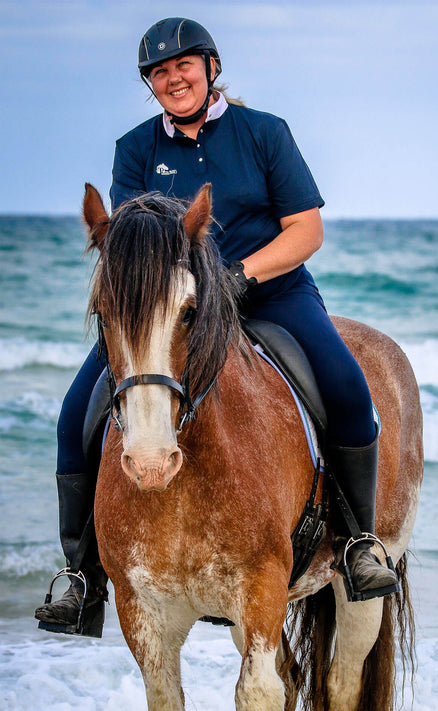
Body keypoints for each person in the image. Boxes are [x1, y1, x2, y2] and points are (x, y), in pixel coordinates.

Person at [35, 17, 398, 636]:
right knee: (77, 413)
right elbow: (127, 241)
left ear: (210, 68)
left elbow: (306, 230)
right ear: (150, 84)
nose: (173, 79)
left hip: (269, 295)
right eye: (159, 72)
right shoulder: (137, 148)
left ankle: (360, 543)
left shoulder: (265, 133)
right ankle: (82, 575)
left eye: (183, 66)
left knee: (346, 389)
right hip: (170, 310)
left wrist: (239, 278)